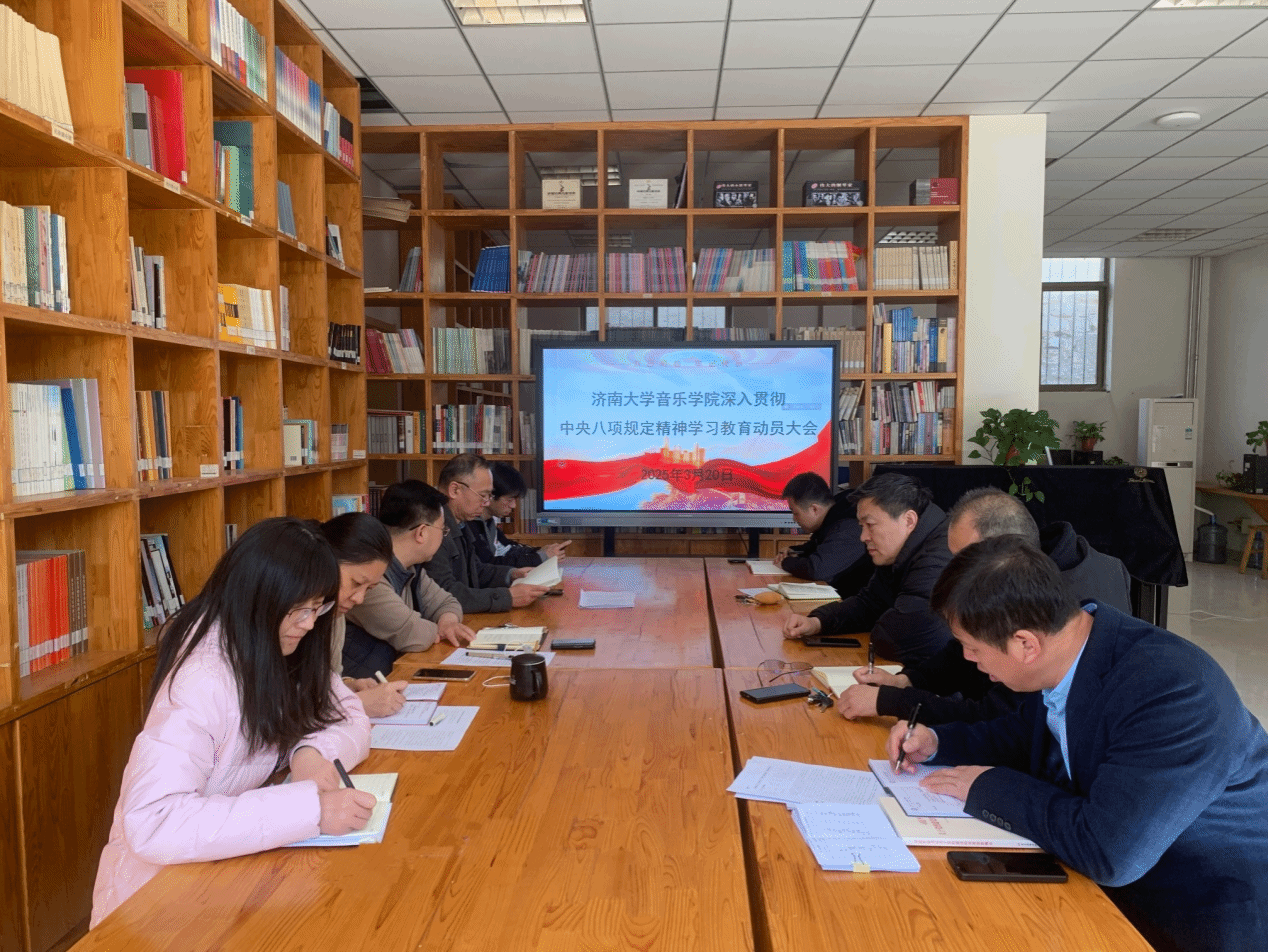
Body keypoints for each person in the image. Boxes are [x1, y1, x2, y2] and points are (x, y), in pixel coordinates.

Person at [888, 536, 1268, 952]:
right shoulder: (1076, 649)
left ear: (1026, 644)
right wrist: (936, 741)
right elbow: (1022, 737)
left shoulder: (1171, 691)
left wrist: (987, 787)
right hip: (1115, 884)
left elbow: (1111, 852)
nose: (967, 659)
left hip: (1200, 908)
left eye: (972, 647)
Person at [91, 518, 375, 927]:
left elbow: (350, 713)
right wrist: (309, 809)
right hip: (156, 904)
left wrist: (312, 753)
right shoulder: (202, 678)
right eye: (301, 609)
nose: (311, 623)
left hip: (227, 876)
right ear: (260, 599)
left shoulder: (281, 645)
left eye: (318, 608)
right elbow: (154, 822)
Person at [838, 486, 1133, 723]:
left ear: (1003, 551)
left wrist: (894, 701)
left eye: (966, 560)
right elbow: (965, 650)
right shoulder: (1032, 566)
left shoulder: (1046, 605)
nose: (956, 572)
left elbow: (1000, 717)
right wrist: (909, 681)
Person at [783, 472, 952, 666]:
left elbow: (898, 639)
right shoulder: (899, 550)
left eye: (870, 525)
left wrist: (878, 622)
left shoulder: (939, 558)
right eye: (861, 526)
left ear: (909, 521)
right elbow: (869, 603)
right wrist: (816, 622)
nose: (863, 537)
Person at [342, 481, 477, 679]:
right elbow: (413, 635)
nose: (444, 537)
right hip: (361, 686)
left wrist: (448, 622)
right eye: (443, 530)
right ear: (421, 533)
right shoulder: (369, 579)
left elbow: (447, 602)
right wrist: (438, 627)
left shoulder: (411, 569)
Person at [423, 454, 550, 613]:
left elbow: (476, 569)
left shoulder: (461, 522)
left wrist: (511, 574)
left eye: (489, 496)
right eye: (483, 495)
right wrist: (508, 597)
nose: (487, 503)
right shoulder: (433, 527)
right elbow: (444, 592)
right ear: (455, 490)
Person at [319, 512, 411, 718]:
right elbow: (279, 706)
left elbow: (326, 683)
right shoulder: (290, 619)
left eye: (369, 589)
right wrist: (354, 704)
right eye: (356, 583)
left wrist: (348, 686)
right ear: (327, 562)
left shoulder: (336, 616)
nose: (359, 599)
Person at [774, 471, 871, 592]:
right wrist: (795, 551)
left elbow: (817, 569)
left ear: (814, 509)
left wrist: (785, 562)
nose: (794, 519)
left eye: (795, 513)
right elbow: (819, 546)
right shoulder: (834, 517)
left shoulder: (848, 527)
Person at [469, 462, 570, 568]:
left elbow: (508, 549)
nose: (513, 506)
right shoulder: (470, 525)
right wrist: (540, 557)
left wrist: (541, 551)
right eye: (509, 500)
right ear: (490, 495)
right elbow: (489, 564)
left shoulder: (488, 522)